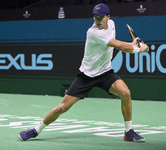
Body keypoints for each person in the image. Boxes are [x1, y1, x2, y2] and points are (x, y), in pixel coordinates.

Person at [18, 3, 149, 142]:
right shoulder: (93, 32)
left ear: (108, 17)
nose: (97, 20)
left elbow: (116, 42)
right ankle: (35, 130)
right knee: (63, 107)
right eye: (95, 17)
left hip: (105, 72)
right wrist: (140, 49)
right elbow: (119, 46)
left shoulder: (111, 24)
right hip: (86, 76)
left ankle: (128, 132)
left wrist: (133, 44)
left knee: (126, 93)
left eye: (100, 17)